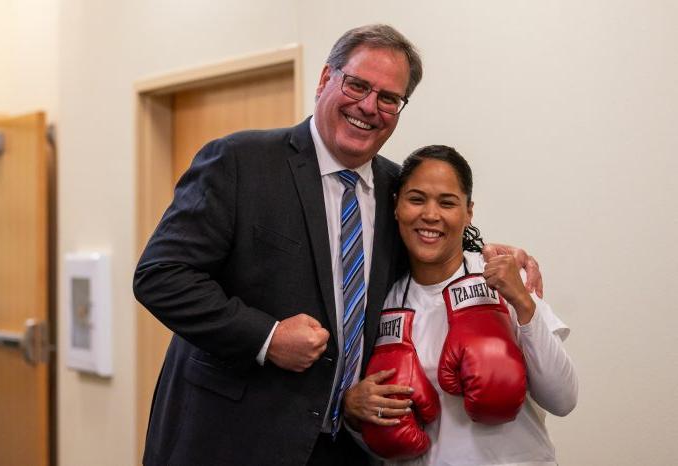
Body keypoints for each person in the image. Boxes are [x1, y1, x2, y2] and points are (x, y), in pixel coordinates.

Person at [133, 25, 542, 466]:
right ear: (325, 79)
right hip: (228, 439)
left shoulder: (395, 188)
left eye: (389, 98)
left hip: (344, 447)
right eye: (357, 84)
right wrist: (267, 338)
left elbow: (432, 237)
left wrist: (488, 254)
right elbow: (161, 276)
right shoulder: (239, 162)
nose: (369, 106)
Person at [343, 145, 578, 466]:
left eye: (447, 202)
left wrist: (523, 302)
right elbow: (375, 437)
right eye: (416, 198)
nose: (430, 214)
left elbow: (563, 399)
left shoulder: (502, 279)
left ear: (468, 212)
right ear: (396, 206)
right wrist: (355, 412)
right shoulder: (382, 302)